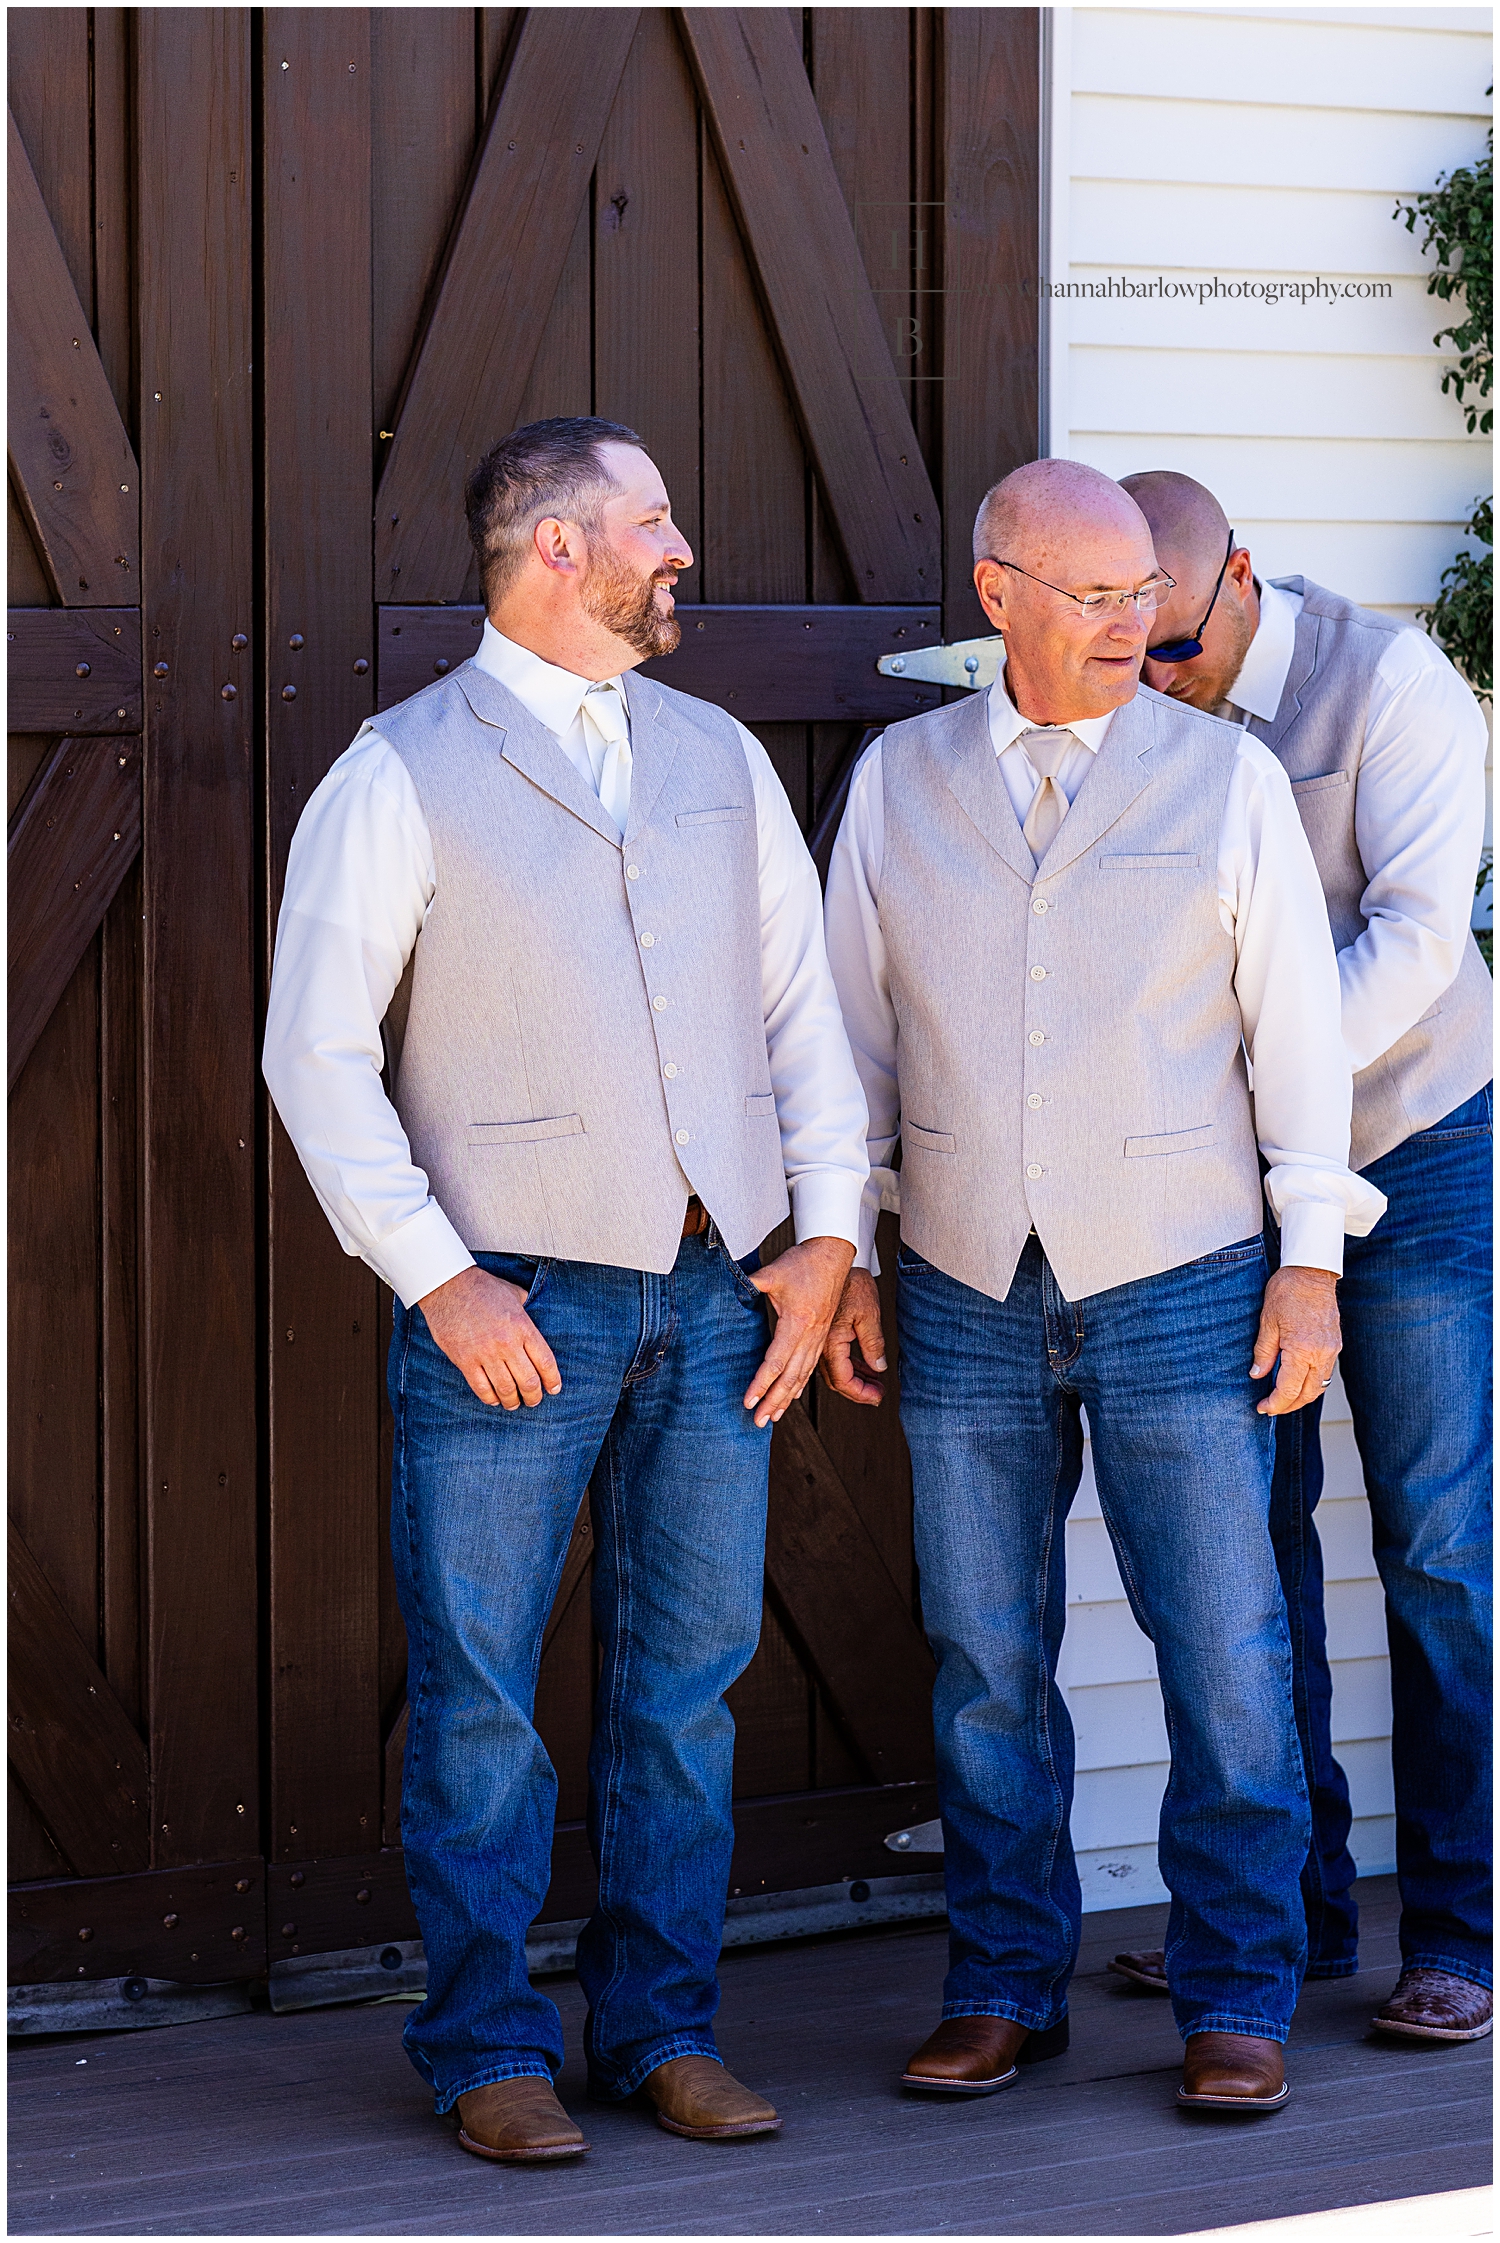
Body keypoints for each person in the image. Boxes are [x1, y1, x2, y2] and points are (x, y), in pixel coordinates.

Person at [263, 417, 869, 2161]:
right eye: (654, 522)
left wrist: (824, 1241)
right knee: (482, 1697)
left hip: (717, 1300)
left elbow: (798, 1019)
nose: (682, 550)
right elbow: (313, 1056)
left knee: (686, 1687)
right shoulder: (397, 770)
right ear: (553, 549)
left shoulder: (718, 758)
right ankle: (485, 2050)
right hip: (512, 1303)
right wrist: (441, 1283)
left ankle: (663, 2031)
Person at [820, 457, 1386, 2116]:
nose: (1137, 622)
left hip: (1185, 1277)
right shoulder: (894, 782)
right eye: (1096, 594)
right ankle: (1002, 1983)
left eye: (1148, 592)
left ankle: (1236, 1994)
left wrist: (1310, 1266)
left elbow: (1301, 1042)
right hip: (960, 1280)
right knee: (987, 1654)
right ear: (998, 595)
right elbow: (848, 1043)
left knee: (1223, 1647)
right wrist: (847, 1244)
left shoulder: (1225, 784)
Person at [1108, 470, 1492, 2046]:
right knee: (1247, 1565)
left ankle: (1464, 1934)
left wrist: (1250, 1061)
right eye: (1127, 651)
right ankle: (1300, 1916)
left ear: (1240, 581)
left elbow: (1417, 932)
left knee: (1436, 1548)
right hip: (1227, 1187)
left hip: (1418, 1149)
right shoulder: (1135, 682)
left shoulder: (1394, 683)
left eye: (1176, 655)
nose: (1152, 686)